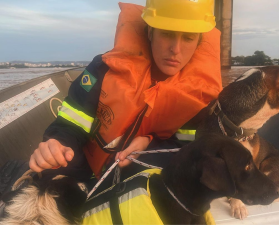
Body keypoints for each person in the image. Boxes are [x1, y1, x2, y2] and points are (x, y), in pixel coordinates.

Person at [29, 0, 222, 181]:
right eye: (167, 33)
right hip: (84, 172)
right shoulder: (102, 70)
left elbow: (184, 145)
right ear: (150, 33)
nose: (176, 49)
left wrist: (150, 142)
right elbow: (70, 124)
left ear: (198, 43)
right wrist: (58, 144)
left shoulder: (200, 100)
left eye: (188, 38)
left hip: (136, 183)